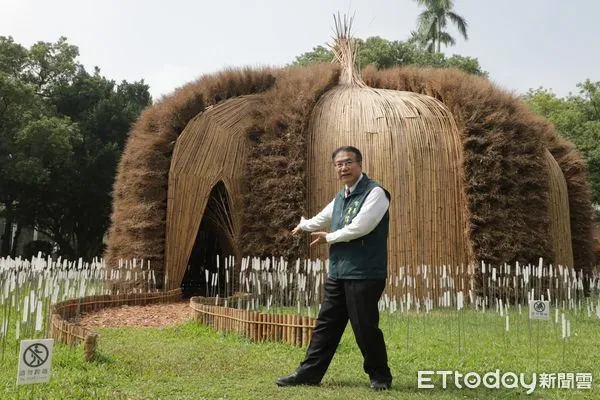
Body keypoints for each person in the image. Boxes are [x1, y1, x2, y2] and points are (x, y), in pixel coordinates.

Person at [276, 145, 393, 391]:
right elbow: (324, 216)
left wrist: (328, 238)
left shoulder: (376, 193)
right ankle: (308, 374)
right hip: (339, 272)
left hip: (364, 273)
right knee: (326, 325)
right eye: (338, 164)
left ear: (359, 164)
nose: (343, 168)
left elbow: (361, 227)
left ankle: (380, 375)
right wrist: (304, 225)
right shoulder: (341, 196)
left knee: (364, 327)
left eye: (348, 162)